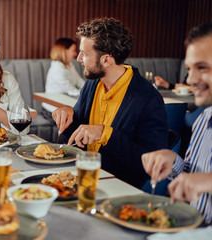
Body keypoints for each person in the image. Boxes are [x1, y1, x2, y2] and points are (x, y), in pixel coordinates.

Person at [52, 18, 168, 188]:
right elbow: (76, 135)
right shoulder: (93, 83)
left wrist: (106, 134)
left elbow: (151, 163)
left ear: (106, 60)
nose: (78, 58)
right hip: (79, 179)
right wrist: (67, 115)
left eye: (84, 53)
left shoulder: (149, 98)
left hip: (116, 190)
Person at [142, 21, 212, 224]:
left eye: (202, 67)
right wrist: (172, 159)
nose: (190, 79)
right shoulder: (203, 120)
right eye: (189, 68)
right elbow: (191, 174)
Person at [42, 38, 85, 121]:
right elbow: (72, 92)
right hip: (52, 109)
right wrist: (89, 93)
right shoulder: (57, 69)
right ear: (64, 51)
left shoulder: (69, 66)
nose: (76, 54)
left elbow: (81, 83)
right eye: (73, 50)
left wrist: (90, 90)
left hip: (65, 106)